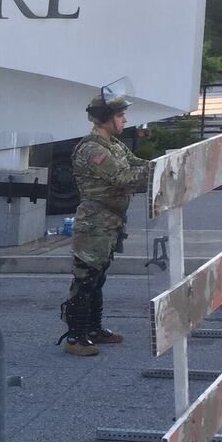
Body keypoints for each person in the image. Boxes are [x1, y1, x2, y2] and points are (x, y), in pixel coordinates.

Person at [60, 87, 151, 357]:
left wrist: (160, 164)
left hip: (109, 221)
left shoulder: (113, 144)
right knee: (85, 277)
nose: (124, 120)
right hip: (95, 223)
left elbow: (136, 163)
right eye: (121, 115)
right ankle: (76, 336)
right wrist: (159, 170)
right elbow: (123, 177)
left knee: (98, 277)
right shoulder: (92, 150)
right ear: (106, 117)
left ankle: (94, 329)